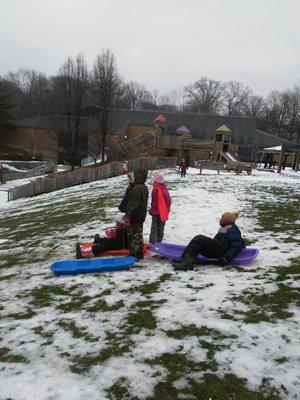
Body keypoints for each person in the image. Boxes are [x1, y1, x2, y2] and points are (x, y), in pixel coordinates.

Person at [172, 211, 245, 270]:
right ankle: (184, 258)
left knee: (199, 238)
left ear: (227, 220)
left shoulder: (232, 229)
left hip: (221, 251)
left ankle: (187, 264)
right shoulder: (225, 228)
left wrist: (226, 258)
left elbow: (237, 244)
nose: (220, 219)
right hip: (219, 248)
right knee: (197, 239)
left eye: (223, 218)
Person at [123, 168, 149, 260]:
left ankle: (135, 255)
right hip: (141, 216)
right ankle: (139, 254)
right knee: (138, 235)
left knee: (134, 236)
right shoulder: (144, 187)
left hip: (134, 216)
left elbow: (133, 205)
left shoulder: (136, 189)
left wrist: (128, 216)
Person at [149, 171, 172, 243]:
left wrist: (167, 211)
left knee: (160, 229)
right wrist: (152, 209)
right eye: (154, 182)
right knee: (154, 228)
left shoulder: (164, 191)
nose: (154, 183)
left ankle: (159, 243)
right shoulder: (155, 189)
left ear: (160, 183)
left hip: (162, 213)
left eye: (155, 182)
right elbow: (153, 202)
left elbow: (168, 201)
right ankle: (152, 243)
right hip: (155, 212)